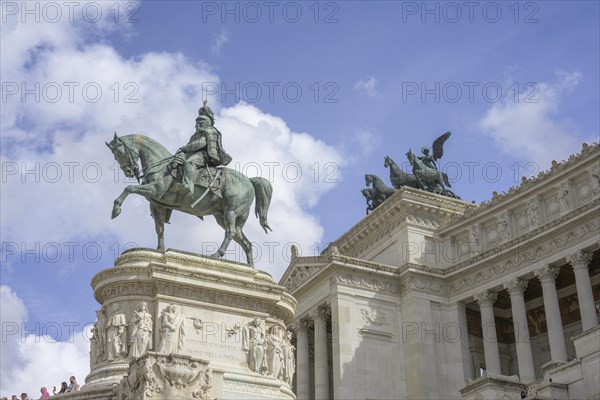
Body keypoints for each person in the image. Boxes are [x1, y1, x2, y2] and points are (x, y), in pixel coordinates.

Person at [175, 102, 232, 195]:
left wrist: (185, 148)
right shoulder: (200, 132)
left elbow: (201, 143)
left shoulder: (209, 130)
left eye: (198, 123)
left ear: (203, 122)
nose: (196, 125)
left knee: (189, 163)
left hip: (204, 155)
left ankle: (188, 186)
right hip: (196, 153)